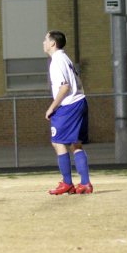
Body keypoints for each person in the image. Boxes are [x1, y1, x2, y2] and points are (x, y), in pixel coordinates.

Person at [43, 30, 92, 195]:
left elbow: (65, 87)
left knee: (58, 142)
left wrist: (52, 107)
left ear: (52, 43)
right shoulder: (65, 58)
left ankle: (67, 182)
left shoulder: (57, 61)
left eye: (45, 39)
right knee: (75, 144)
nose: (43, 43)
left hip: (69, 105)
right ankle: (85, 183)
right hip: (80, 101)